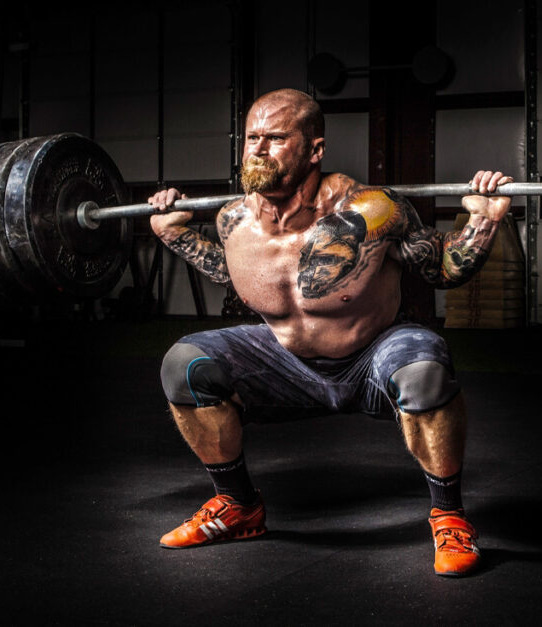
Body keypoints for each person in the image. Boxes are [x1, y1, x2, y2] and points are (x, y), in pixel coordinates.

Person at [148, 88, 512, 577]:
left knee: (425, 366)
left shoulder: (375, 210)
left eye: (275, 138)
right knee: (184, 364)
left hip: (370, 355)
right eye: (252, 137)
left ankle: (449, 516)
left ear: (315, 150)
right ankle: (237, 506)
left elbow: (443, 267)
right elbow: (231, 272)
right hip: (284, 362)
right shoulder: (232, 219)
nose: (257, 149)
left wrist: (483, 221)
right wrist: (176, 235)